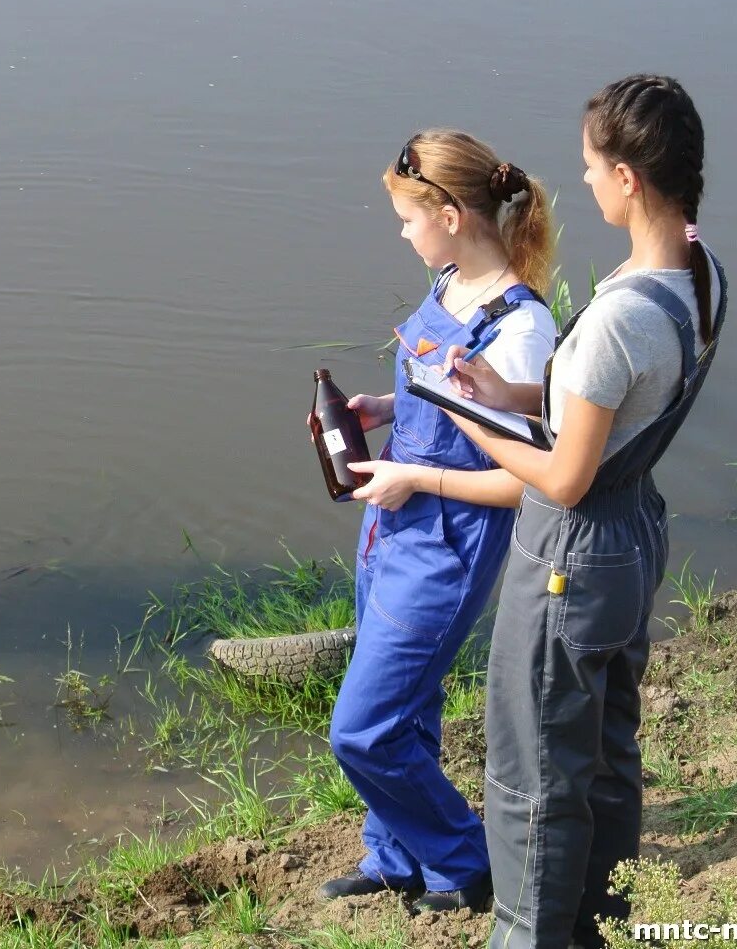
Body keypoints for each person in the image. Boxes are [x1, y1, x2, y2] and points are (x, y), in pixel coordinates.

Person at [441, 75, 727, 949]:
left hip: (571, 550)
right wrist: (509, 390)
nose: (586, 183)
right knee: (605, 759)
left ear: (628, 180)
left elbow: (562, 476)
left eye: (591, 168)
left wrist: (468, 422)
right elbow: (609, 402)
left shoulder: (615, 320)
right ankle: (598, 930)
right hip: (633, 537)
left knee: (532, 778)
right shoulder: (699, 271)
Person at [317, 130, 557, 914]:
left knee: (361, 726)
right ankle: (395, 856)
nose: (401, 230)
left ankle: (464, 857)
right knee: (406, 707)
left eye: (408, 214)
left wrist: (414, 473)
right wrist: (386, 409)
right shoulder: (451, 282)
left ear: (451, 213)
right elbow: (443, 397)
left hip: (445, 549)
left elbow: (527, 483)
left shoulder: (519, 331)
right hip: (390, 528)